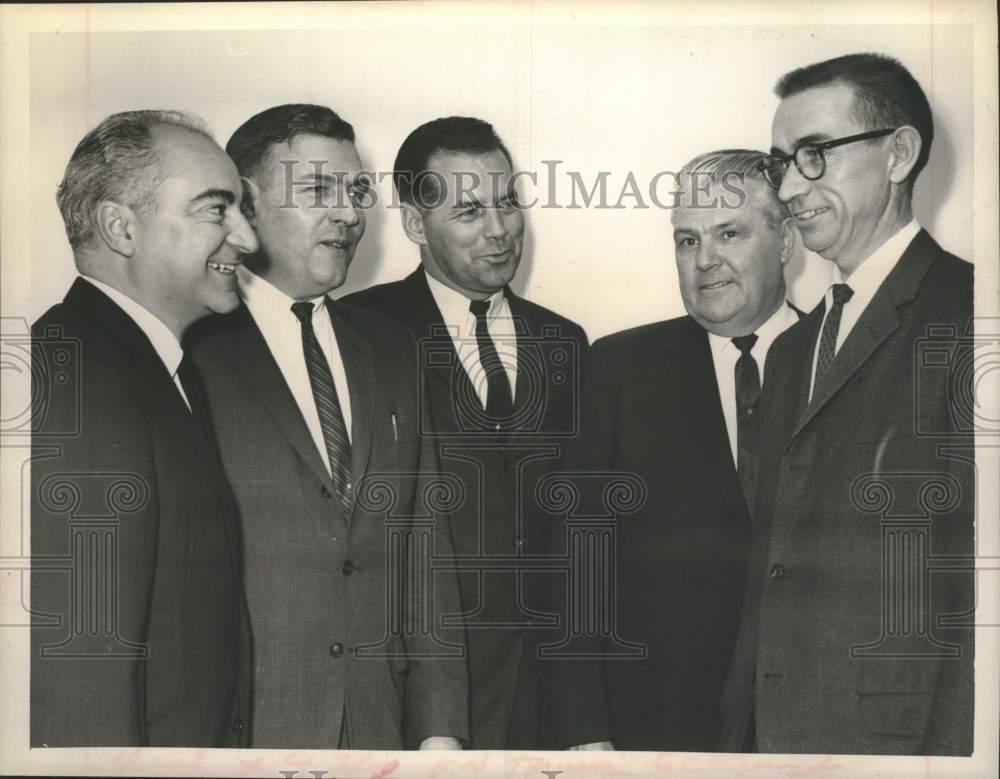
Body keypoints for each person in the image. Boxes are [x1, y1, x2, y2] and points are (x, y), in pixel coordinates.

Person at [186, 104, 467, 750]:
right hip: (246, 734)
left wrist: (440, 729)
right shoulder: (192, 348)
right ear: (246, 204)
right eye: (319, 190)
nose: (348, 214)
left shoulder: (393, 348)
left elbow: (425, 553)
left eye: (356, 191)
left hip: (382, 733)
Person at [719, 52, 975, 755]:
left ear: (898, 154)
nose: (789, 188)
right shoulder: (791, 350)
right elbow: (768, 572)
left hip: (903, 749)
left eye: (814, 156)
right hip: (773, 740)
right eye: (780, 163)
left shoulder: (971, 313)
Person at [343, 116, 589, 749]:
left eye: (508, 202)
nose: (500, 229)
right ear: (415, 224)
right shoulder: (358, 332)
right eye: (470, 210)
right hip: (419, 698)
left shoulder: (565, 339)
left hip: (549, 696)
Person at [543, 150, 801, 751]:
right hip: (653, 729)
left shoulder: (841, 360)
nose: (704, 261)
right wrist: (586, 735)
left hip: (806, 730)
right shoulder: (617, 367)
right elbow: (577, 563)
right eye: (687, 240)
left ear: (786, 239)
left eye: (729, 234)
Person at [31, 110, 257, 746]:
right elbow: (81, 668)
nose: (246, 238)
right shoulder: (75, 377)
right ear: (120, 227)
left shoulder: (157, 367)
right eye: (216, 210)